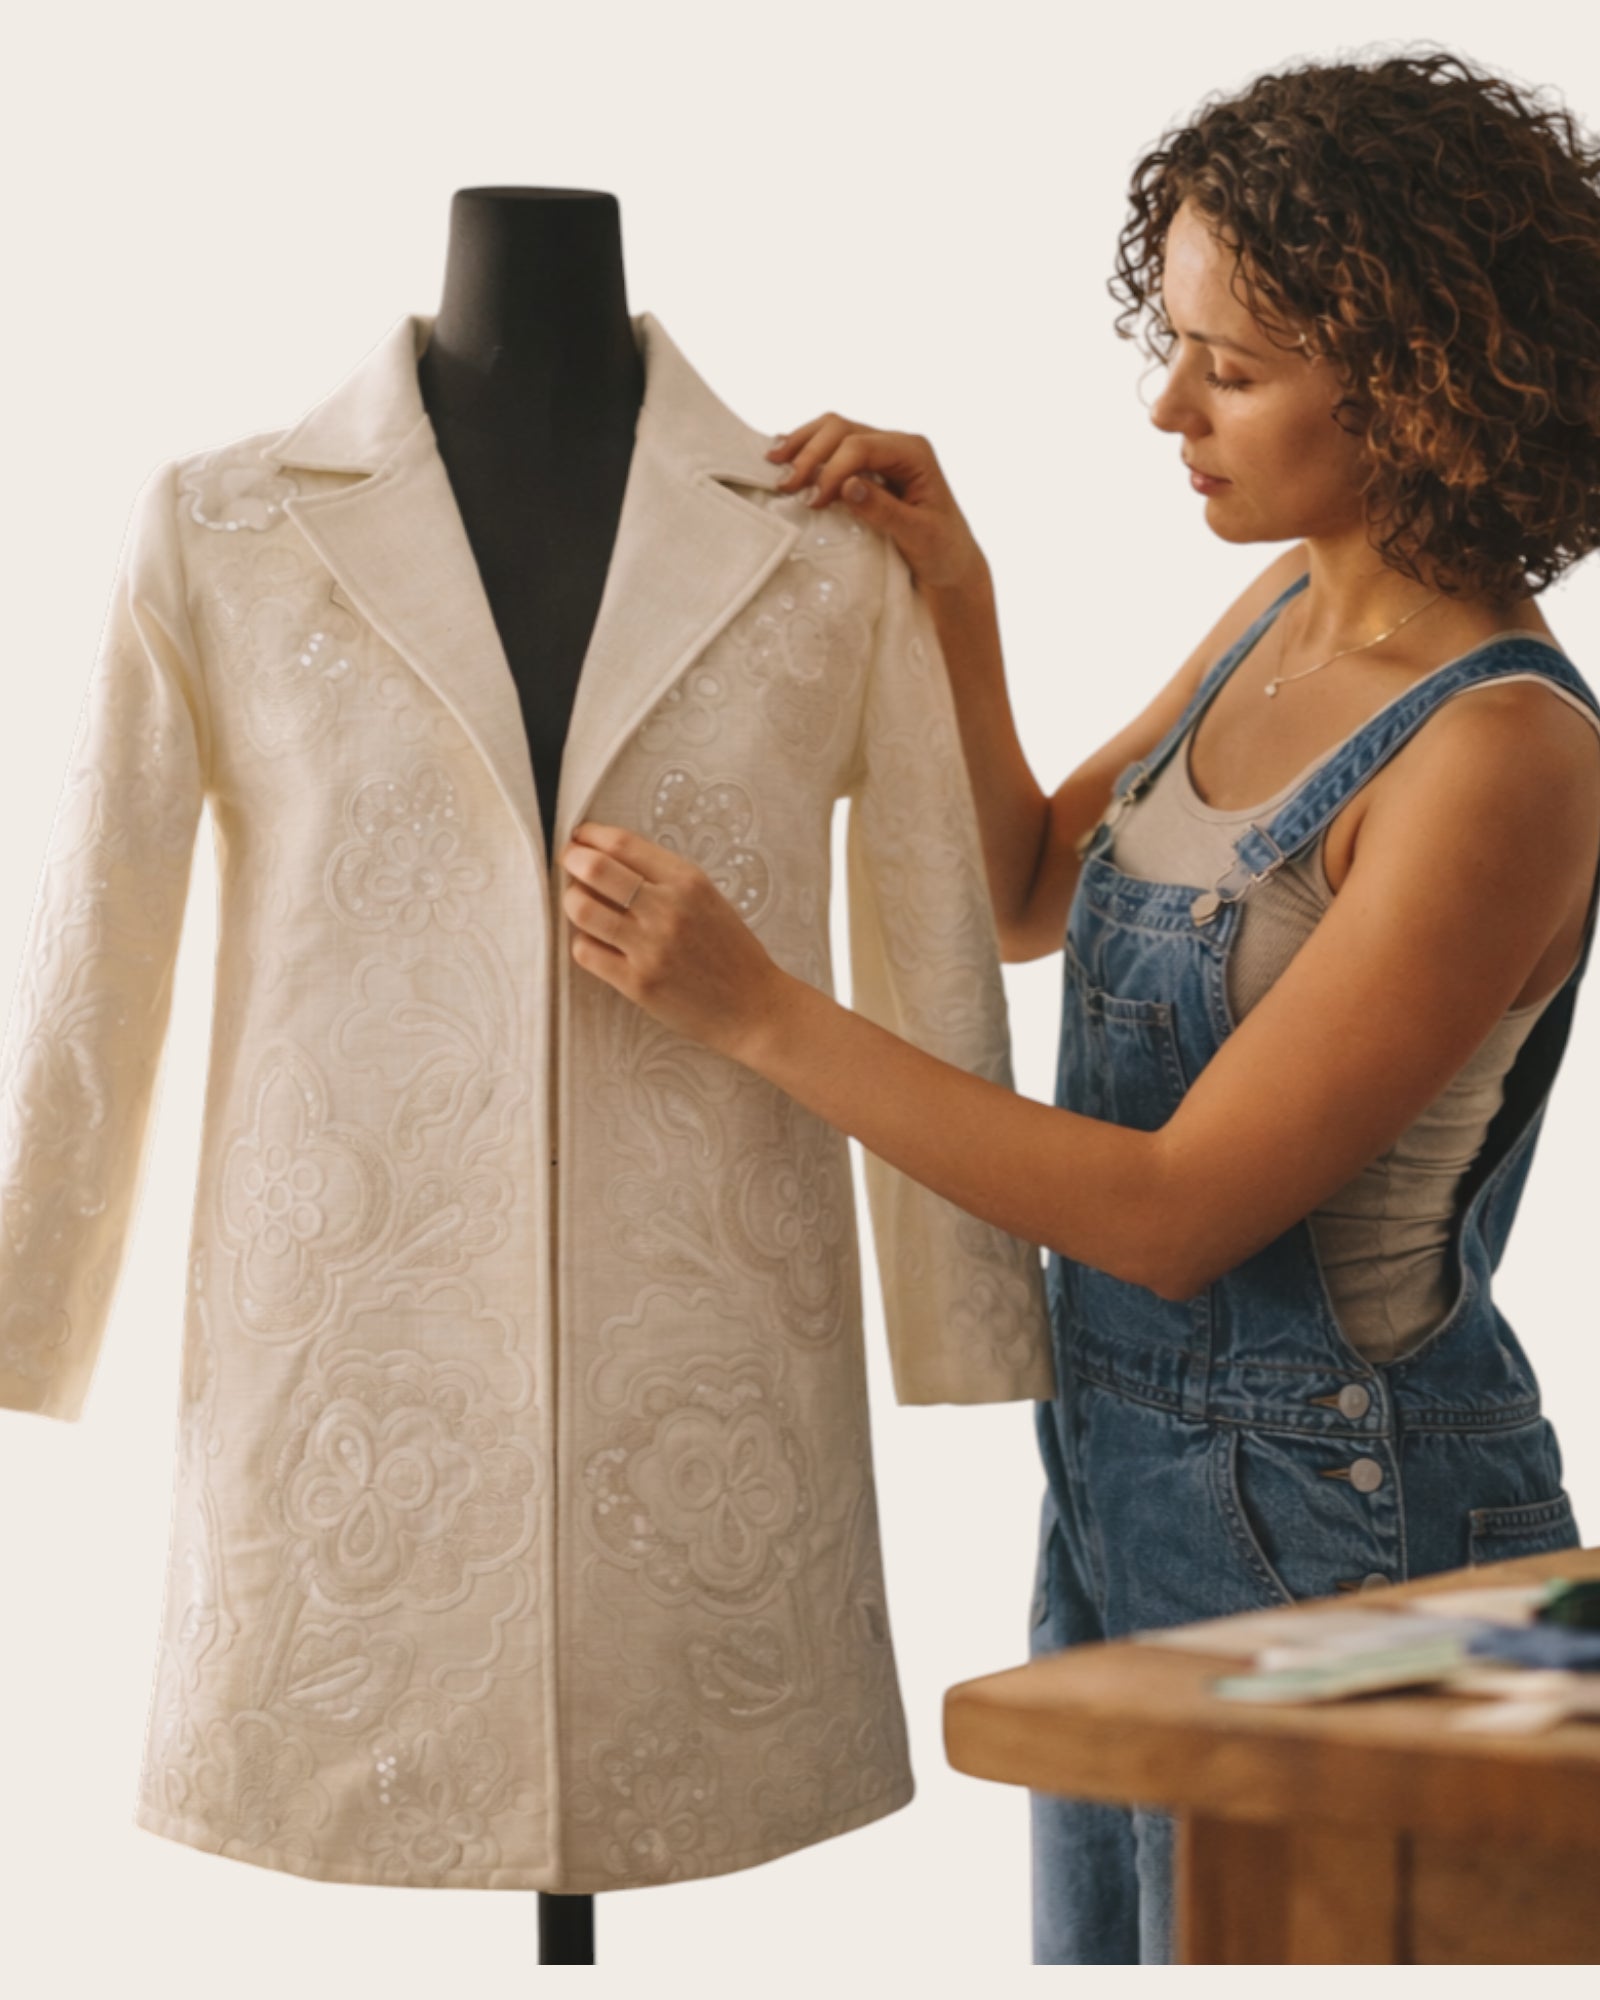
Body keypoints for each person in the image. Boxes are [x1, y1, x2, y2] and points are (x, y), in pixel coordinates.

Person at [555, 48, 1600, 1963]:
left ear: (1425, 380)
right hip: (1127, 1487)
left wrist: (758, 1013)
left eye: (1236, 365)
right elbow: (1033, 886)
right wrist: (954, 591)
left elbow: (1178, 1211)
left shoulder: (1498, 757)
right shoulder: (1291, 604)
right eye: (1177, 338)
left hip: (1355, 1529)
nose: (1167, 404)